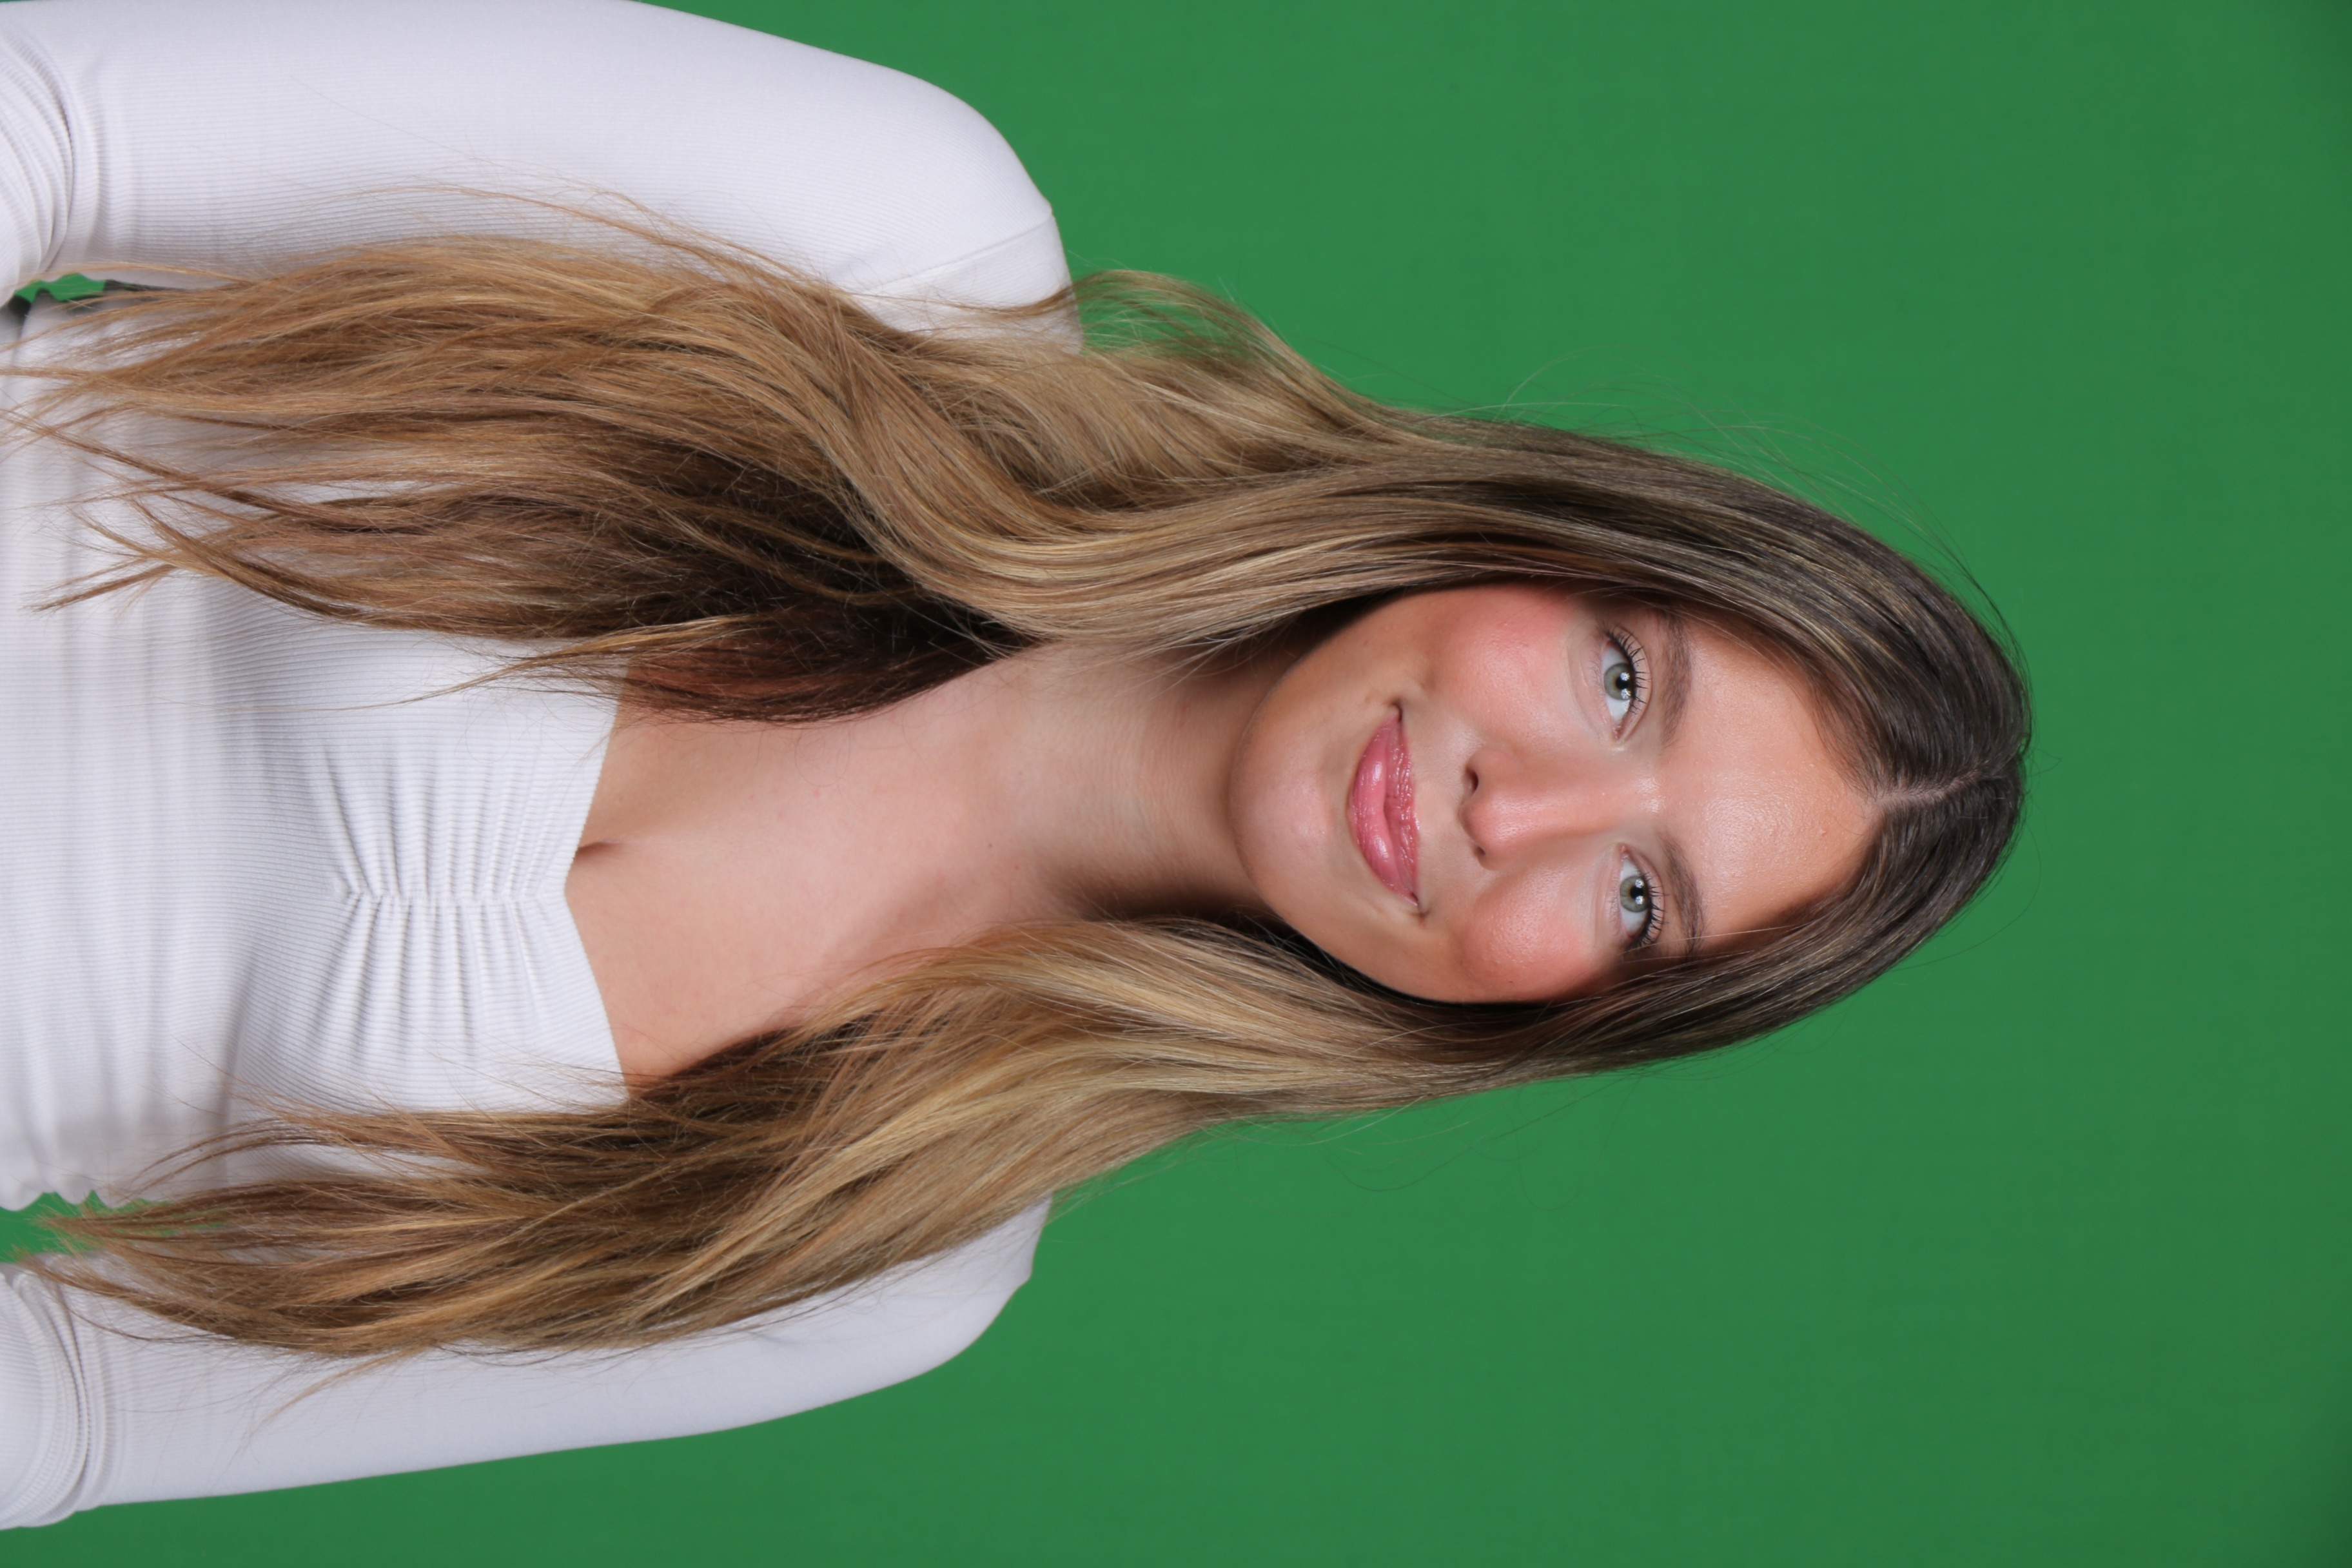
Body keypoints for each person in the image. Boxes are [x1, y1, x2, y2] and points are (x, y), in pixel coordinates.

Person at [0, 0, 2028, 1529]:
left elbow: (70, 1406)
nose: (1527, 811)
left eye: (1641, 896)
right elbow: (52, 113)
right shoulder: (898, 234)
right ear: (1540, 540)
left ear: (1561, 1020)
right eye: (1621, 682)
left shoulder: (880, 1254)